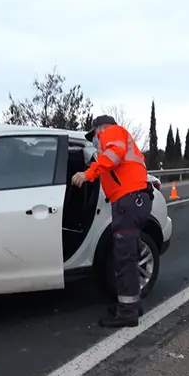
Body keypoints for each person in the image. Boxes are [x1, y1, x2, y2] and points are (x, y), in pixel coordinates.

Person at [71, 115, 153, 328]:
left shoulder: (113, 132)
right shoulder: (123, 140)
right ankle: (133, 305)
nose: (96, 140)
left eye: (94, 135)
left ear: (101, 128)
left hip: (128, 200)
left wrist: (87, 173)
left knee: (124, 259)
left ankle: (127, 313)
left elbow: (113, 156)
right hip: (135, 200)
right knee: (130, 257)